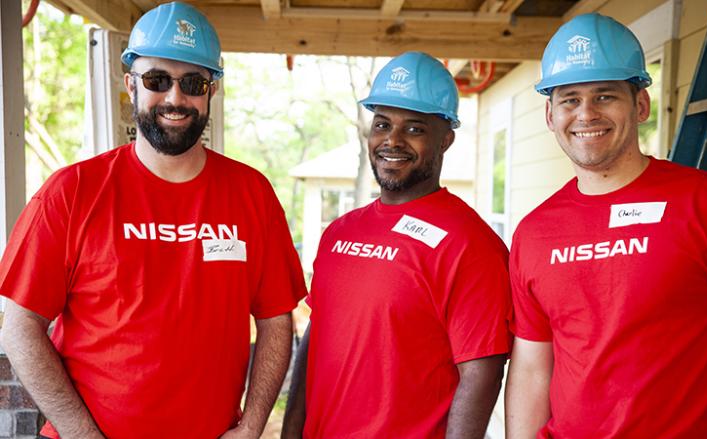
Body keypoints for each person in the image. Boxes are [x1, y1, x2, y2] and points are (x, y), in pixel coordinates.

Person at [0, 2, 306, 438]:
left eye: (193, 82)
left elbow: (277, 319)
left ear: (211, 90)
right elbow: (20, 327)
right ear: (131, 85)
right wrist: (82, 434)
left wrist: (253, 425)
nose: (176, 98)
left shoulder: (251, 194)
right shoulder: (71, 192)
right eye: (156, 80)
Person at [505, 12, 707, 439]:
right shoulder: (534, 232)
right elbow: (531, 368)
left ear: (641, 104)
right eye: (570, 99)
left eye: (605, 96)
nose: (586, 114)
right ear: (549, 113)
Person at [281, 51, 512, 438]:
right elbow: (315, 339)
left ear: (446, 139)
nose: (392, 140)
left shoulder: (471, 244)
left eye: (415, 128)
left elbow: (481, 374)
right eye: (382, 124)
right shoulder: (339, 233)